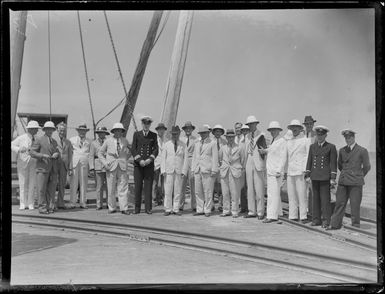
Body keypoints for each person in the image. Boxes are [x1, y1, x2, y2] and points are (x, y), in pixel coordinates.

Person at [327, 129, 371, 230]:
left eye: (350, 137)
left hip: (356, 182)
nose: (348, 139)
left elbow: (367, 167)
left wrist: (359, 175)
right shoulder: (342, 150)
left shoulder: (362, 150)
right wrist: (346, 174)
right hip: (343, 181)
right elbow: (340, 165)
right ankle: (335, 224)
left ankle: (355, 225)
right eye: (346, 138)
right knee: (339, 203)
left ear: (354, 137)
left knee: (355, 204)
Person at [305, 125, 337, 228]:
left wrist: (332, 178)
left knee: (325, 200)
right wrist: (307, 175)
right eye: (318, 135)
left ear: (325, 135)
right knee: (315, 200)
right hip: (314, 176)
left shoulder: (331, 147)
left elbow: (333, 164)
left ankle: (326, 221)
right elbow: (309, 161)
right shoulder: (312, 147)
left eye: (322, 135)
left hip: (324, 177)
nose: (319, 137)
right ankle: (316, 220)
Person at [98, 123, 131, 214]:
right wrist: (105, 163)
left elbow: (131, 150)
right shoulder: (108, 141)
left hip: (122, 167)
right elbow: (100, 153)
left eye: (120, 130)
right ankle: (112, 207)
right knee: (111, 188)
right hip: (111, 167)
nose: (118, 132)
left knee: (123, 187)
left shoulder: (125, 141)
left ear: (122, 132)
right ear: (113, 131)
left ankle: (124, 208)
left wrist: (125, 159)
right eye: (116, 130)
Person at [30, 121, 60, 214]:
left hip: (53, 169)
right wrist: (42, 155)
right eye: (48, 129)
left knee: (51, 189)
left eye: (51, 129)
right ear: (45, 130)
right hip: (42, 168)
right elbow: (31, 152)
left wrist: (57, 154)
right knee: (41, 189)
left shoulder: (54, 141)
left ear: (53, 130)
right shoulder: (39, 140)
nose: (50, 131)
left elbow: (57, 151)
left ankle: (50, 207)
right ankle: (42, 208)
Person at [259, 121, 287, 223]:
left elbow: (283, 156)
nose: (272, 132)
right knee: (274, 193)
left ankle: (271, 216)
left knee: (272, 194)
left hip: (276, 172)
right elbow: (272, 150)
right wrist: (265, 151)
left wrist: (279, 170)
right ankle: (279, 212)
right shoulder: (274, 141)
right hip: (270, 170)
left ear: (279, 130)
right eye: (271, 130)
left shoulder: (282, 141)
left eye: (274, 130)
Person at [131, 115, 159, 214]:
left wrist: (149, 160)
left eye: (148, 123)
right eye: (144, 123)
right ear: (142, 124)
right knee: (138, 187)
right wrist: (139, 160)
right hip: (138, 165)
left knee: (148, 187)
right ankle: (137, 209)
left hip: (149, 165)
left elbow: (156, 149)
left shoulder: (153, 135)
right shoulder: (136, 134)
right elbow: (133, 149)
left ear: (150, 124)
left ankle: (148, 208)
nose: (146, 125)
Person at [285, 119, 311, 224]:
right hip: (290, 171)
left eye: (296, 127)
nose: (294, 129)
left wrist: (307, 171)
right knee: (291, 195)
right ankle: (293, 215)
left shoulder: (306, 140)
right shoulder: (289, 141)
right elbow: (286, 157)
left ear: (300, 129)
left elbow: (309, 156)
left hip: (301, 171)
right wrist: (284, 171)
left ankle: (303, 216)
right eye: (292, 128)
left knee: (302, 195)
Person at [190, 125, 219, 217]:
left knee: (208, 191)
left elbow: (215, 157)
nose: (203, 134)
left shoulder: (213, 143)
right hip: (198, 169)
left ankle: (207, 209)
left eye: (204, 133)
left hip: (208, 169)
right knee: (198, 191)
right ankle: (199, 209)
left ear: (208, 133)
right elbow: (195, 156)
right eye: (201, 133)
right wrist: (193, 168)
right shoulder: (197, 143)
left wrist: (214, 170)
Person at [11, 120, 40, 210]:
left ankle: (30, 203)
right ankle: (23, 203)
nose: (37, 130)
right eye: (36, 129)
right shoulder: (21, 137)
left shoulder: (38, 139)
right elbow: (11, 144)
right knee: (23, 183)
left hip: (33, 163)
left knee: (32, 184)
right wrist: (19, 149)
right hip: (23, 162)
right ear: (30, 129)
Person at [244, 115, 267, 219]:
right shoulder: (247, 136)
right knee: (250, 188)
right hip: (249, 159)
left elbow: (265, 151)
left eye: (252, 124)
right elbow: (245, 150)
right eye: (249, 124)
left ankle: (260, 212)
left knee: (259, 188)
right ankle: (251, 211)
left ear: (256, 124)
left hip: (258, 161)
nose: (251, 126)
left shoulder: (262, 135)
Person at [219, 129, 245, 218]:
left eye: (231, 137)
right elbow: (220, 159)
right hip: (225, 171)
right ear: (226, 138)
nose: (230, 139)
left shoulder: (240, 147)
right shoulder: (223, 147)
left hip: (235, 171)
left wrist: (238, 168)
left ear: (234, 137)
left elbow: (243, 160)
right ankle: (226, 210)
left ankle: (235, 211)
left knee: (235, 192)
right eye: (228, 137)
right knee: (225, 192)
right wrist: (223, 167)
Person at [161, 126, 186, 216]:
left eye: (176, 134)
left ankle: (176, 209)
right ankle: (167, 209)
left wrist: (184, 171)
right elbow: (163, 158)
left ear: (179, 134)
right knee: (168, 191)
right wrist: (163, 170)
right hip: (168, 171)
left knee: (177, 190)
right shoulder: (167, 144)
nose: (175, 135)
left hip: (179, 170)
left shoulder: (183, 145)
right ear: (171, 134)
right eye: (173, 134)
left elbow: (185, 158)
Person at [69, 124, 92, 209]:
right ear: (78, 131)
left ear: (86, 131)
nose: (82, 132)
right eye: (80, 130)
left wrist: (90, 167)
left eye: (84, 131)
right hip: (74, 163)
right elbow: (70, 153)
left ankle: (83, 202)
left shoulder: (90, 141)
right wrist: (70, 166)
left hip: (84, 164)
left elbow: (90, 154)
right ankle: (72, 202)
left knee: (84, 183)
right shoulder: (72, 140)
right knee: (73, 183)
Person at [89, 126, 109, 210]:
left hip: (107, 165)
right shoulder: (93, 143)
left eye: (103, 132)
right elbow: (91, 156)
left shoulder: (109, 141)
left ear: (105, 133)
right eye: (99, 133)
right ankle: (99, 204)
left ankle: (109, 204)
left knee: (109, 186)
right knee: (99, 186)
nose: (101, 134)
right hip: (98, 165)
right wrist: (91, 167)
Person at [179, 121, 197, 211]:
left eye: (190, 128)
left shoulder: (196, 139)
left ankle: (194, 205)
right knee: (181, 184)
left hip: (192, 161)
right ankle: (180, 205)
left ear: (192, 129)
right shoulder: (181, 139)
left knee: (193, 184)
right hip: (182, 162)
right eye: (186, 129)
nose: (188, 130)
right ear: (184, 130)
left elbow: (196, 153)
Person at [55, 122, 73, 210]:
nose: (62, 132)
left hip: (64, 166)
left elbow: (70, 155)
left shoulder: (68, 142)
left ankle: (60, 203)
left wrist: (70, 167)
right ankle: (52, 203)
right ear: (57, 130)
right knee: (53, 184)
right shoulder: (53, 140)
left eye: (63, 130)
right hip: (54, 165)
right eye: (60, 130)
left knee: (62, 185)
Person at [303, 115, 317, 218]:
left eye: (310, 124)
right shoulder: (301, 134)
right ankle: (304, 211)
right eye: (307, 124)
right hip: (301, 165)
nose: (309, 126)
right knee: (302, 189)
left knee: (312, 189)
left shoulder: (316, 135)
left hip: (311, 165)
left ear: (313, 124)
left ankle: (312, 212)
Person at [212, 124, 227, 212]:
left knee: (221, 186)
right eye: (216, 131)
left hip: (221, 166)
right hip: (213, 166)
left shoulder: (224, 142)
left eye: (219, 131)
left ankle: (221, 204)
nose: (218, 133)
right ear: (213, 132)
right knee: (212, 186)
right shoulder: (210, 141)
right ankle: (212, 204)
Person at [153, 123, 167, 206]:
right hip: (155, 163)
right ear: (157, 130)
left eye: (162, 129)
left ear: (164, 130)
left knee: (164, 183)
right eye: (159, 129)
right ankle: (154, 199)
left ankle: (163, 199)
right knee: (154, 183)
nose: (161, 131)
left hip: (164, 164)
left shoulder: (167, 140)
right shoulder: (154, 139)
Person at [239, 124, 249, 213]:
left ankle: (250, 206)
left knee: (250, 188)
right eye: (243, 130)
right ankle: (243, 206)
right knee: (242, 188)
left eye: (246, 130)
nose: (245, 132)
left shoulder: (250, 140)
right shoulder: (240, 142)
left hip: (250, 166)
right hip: (242, 167)